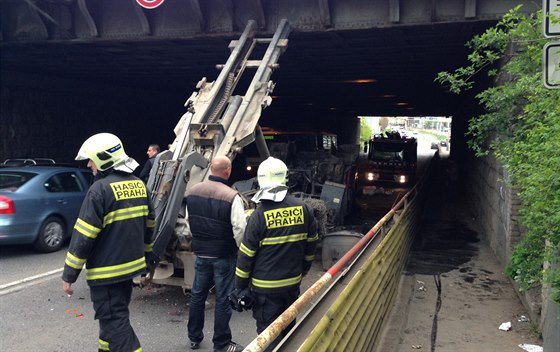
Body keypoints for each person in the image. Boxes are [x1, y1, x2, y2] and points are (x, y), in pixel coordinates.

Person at [62, 133, 156, 352]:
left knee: (115, 323)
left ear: (103, 159)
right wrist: (147, 258)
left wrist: (69, 275)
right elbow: (149, 227)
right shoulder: (140, 185)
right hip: (129, 270)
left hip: (106, 274)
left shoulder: (99, 190)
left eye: (91, 159)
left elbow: (83, 237)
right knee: (111, 321)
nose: (88, 164)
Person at [233, 156, 319, 352]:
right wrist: (304, 270)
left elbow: (245, 256)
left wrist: (240, 287)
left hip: (265, 290)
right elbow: (311, 245)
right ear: (285, 178)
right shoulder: (304, 209)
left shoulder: (258, 216)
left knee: (268, 335)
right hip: (292, 284)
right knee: (289, 330)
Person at [186, 155, 247, 352]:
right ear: (227, 171)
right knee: (223, 298)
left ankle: (194, 337)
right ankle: (221, 343)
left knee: (197, 295)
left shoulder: (193, 191)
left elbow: (189, 221)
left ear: (211, 169)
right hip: (223, 255)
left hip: (201, 254)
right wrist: (238, 247)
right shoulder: (232, 196)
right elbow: (239, 228)